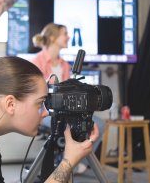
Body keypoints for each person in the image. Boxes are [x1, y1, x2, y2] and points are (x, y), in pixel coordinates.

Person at [31, 23, 105, 174]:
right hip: (44, 113)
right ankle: (67, 160)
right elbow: (34, 94)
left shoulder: (65, 65)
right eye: (65, 33)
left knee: (99, 124)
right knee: (70, 125)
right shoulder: (36, 62)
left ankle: (78, 162)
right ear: (52, 37)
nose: (69, 37)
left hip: (67, 111)